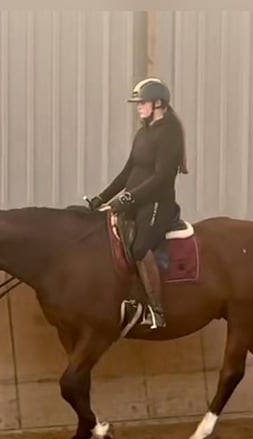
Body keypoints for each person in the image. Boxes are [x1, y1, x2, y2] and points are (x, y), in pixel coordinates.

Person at [87, 77, 189, 330]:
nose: (138, 107)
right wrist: (103, 197)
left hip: (156, 203)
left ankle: (155, 310)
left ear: (158, 103)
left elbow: (162, 176)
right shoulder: (144, 132)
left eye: (141, 103)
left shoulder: (170, 133)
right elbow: (127, 172)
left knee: (140, 247)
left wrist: (129, 197)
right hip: (133, 202)